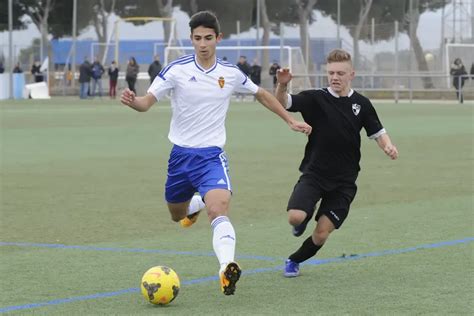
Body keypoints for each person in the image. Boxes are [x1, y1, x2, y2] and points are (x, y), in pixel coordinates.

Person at [121, 11, 312, 295]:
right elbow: (147, 101)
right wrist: (133, 101)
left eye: (208, 38)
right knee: (177, 215)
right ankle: (194, 206)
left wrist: (289, 119)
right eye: (197, 38)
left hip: (212, 157)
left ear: (218, 39)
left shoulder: (230, 72)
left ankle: (226, 268)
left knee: (219, 208)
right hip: (180, 157)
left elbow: (261, 93)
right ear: (191, 39)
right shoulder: (176, 69)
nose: (202, 44)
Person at [274, 49, 398, 278]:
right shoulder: (315, 98)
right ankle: (304, 215)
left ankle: (294, 260)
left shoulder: (362, 104)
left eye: (340, 73)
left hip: (344, 182)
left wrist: (387, 145)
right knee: (296, 217)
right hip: (315, 174)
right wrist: (282, 86)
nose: (335, 77)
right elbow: (285, 102)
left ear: (352, 74)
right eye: (331, 72)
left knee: (321, 234)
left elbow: (378, 131)